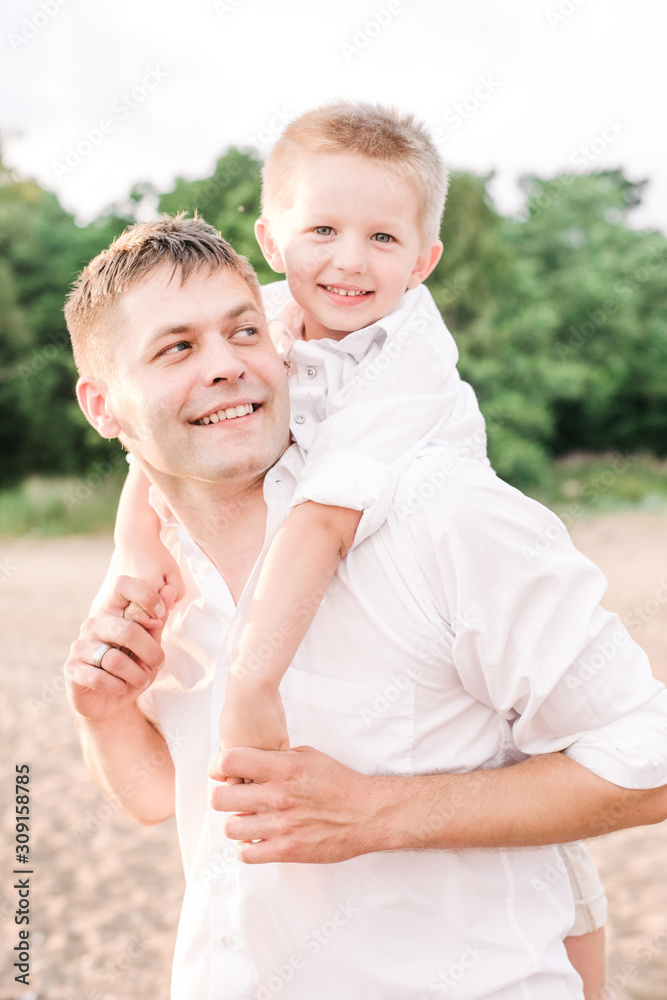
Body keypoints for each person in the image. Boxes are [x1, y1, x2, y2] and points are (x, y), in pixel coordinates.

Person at [64, 214, 667, 1000]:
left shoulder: (443, 514)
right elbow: (160, 798)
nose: (227, 366)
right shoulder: (155, 578)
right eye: (177, 347)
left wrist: (378, 813)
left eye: (245, 332)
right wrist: (103, 714)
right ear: (102, 408)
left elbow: (646, 760)